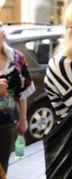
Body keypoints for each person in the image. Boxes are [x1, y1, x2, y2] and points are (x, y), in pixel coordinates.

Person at [0, 21, 35, 173]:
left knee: (3, 167)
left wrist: (23, 119)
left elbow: (22, 91)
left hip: (7, 124)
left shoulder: (17, 57)